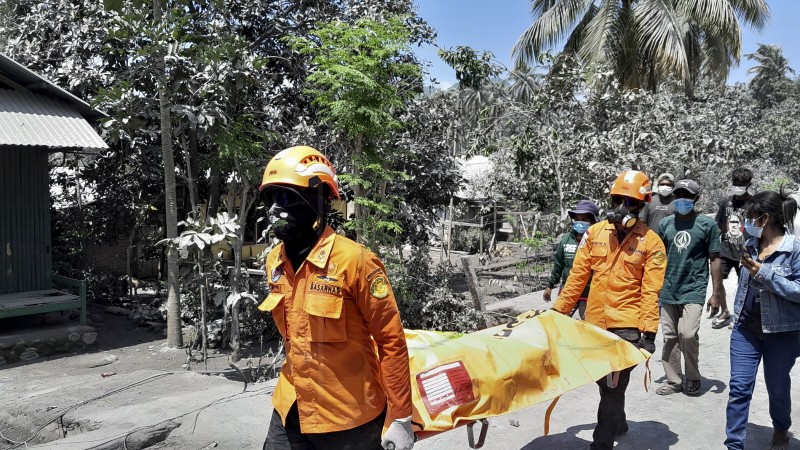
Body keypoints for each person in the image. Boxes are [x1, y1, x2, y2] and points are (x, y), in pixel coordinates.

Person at [257, 146, 415, 450]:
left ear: (318, 200)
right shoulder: (275, 262)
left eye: (287, 196)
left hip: (349, 421)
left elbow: (391, 341)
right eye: (271, 198)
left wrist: (401, 417)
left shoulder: (355, 262)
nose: (276, 208)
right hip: (291, 406)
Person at [552, 170, 667, 450]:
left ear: (643, 206)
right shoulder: (594, 233)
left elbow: (651, 290)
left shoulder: (652, 243)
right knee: (605, 384)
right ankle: (620, 420)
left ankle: (601, 443)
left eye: (632, 203)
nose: (623, 208)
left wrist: (649, 332)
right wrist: (558, 313)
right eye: (619, 199)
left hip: (627, 327)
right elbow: (577, 278)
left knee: (613, 387)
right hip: (594, 323)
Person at [724, 190, 800, 450]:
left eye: (751, 217)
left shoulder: (795, 250)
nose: (747, 222)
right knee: (739, 388)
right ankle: (734, 444)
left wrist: (765, 273)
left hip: (782, 333)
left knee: (777, 388)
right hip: (745, 330)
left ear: (765, 218)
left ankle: (781, 429)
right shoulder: (751, 245)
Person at [655, 179, 722, 396]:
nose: (682, 199)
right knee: (670, 336)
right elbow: (657, 257)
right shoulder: (665, 224)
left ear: (696, 199)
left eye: (687, 195)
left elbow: (714, 258)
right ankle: (674, 380)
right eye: (678, 195)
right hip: (667, 288)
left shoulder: (707, 225)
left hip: (693, 288)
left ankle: (693, 376)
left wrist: (716, 293)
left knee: (687, 333)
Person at [543, 199, 600, 319]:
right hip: (567, 292)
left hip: (589, 294)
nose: (580, 222)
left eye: (584, 219)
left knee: (588, 327)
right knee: (559, 321)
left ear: (593, 221)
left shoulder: (599, 242)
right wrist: (550, 286)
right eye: (577, 219)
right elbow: (558, 265)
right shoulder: (566, 239)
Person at [712, 168, 754, 329]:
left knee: (744, 284)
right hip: (725, 249)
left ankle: (741, 315)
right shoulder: (726, 202)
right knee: (717, 280)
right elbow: (718, 224)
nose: (737, 186)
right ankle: (725, 311)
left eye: (741, 184)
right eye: (735, 183)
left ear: (748, 184)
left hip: (745, 252)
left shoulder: (753, 203)